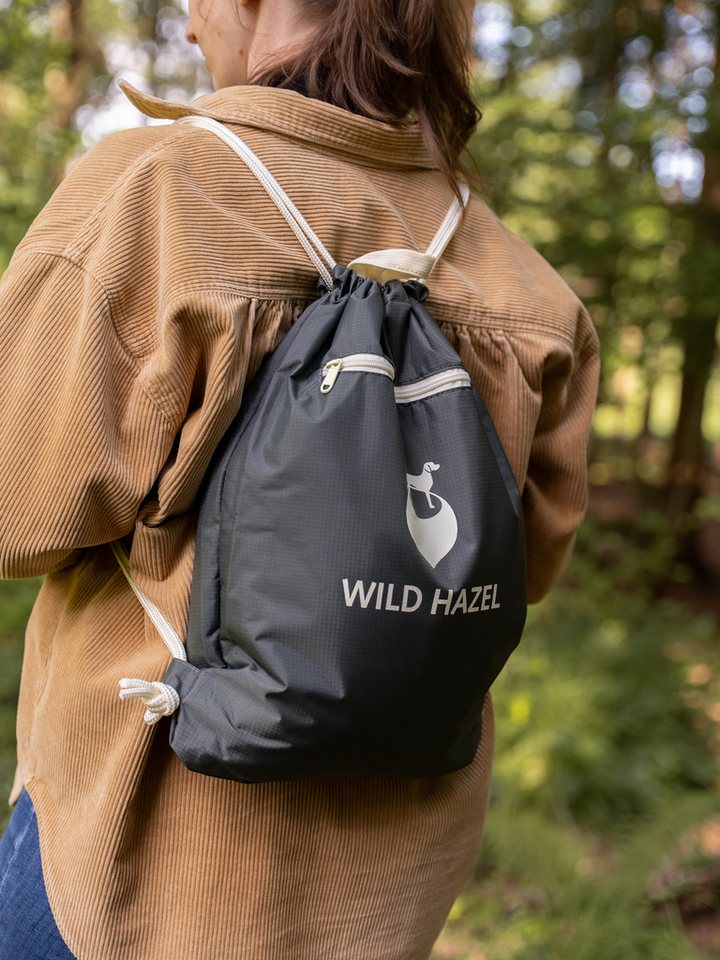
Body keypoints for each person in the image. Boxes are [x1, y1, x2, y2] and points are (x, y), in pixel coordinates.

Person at [0, 0, 600, 957]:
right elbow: (511, 574)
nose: (191, 32)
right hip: (389, 895)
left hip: (128, 874)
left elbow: (18, 509)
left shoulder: (155, 189)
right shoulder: (530, 292)